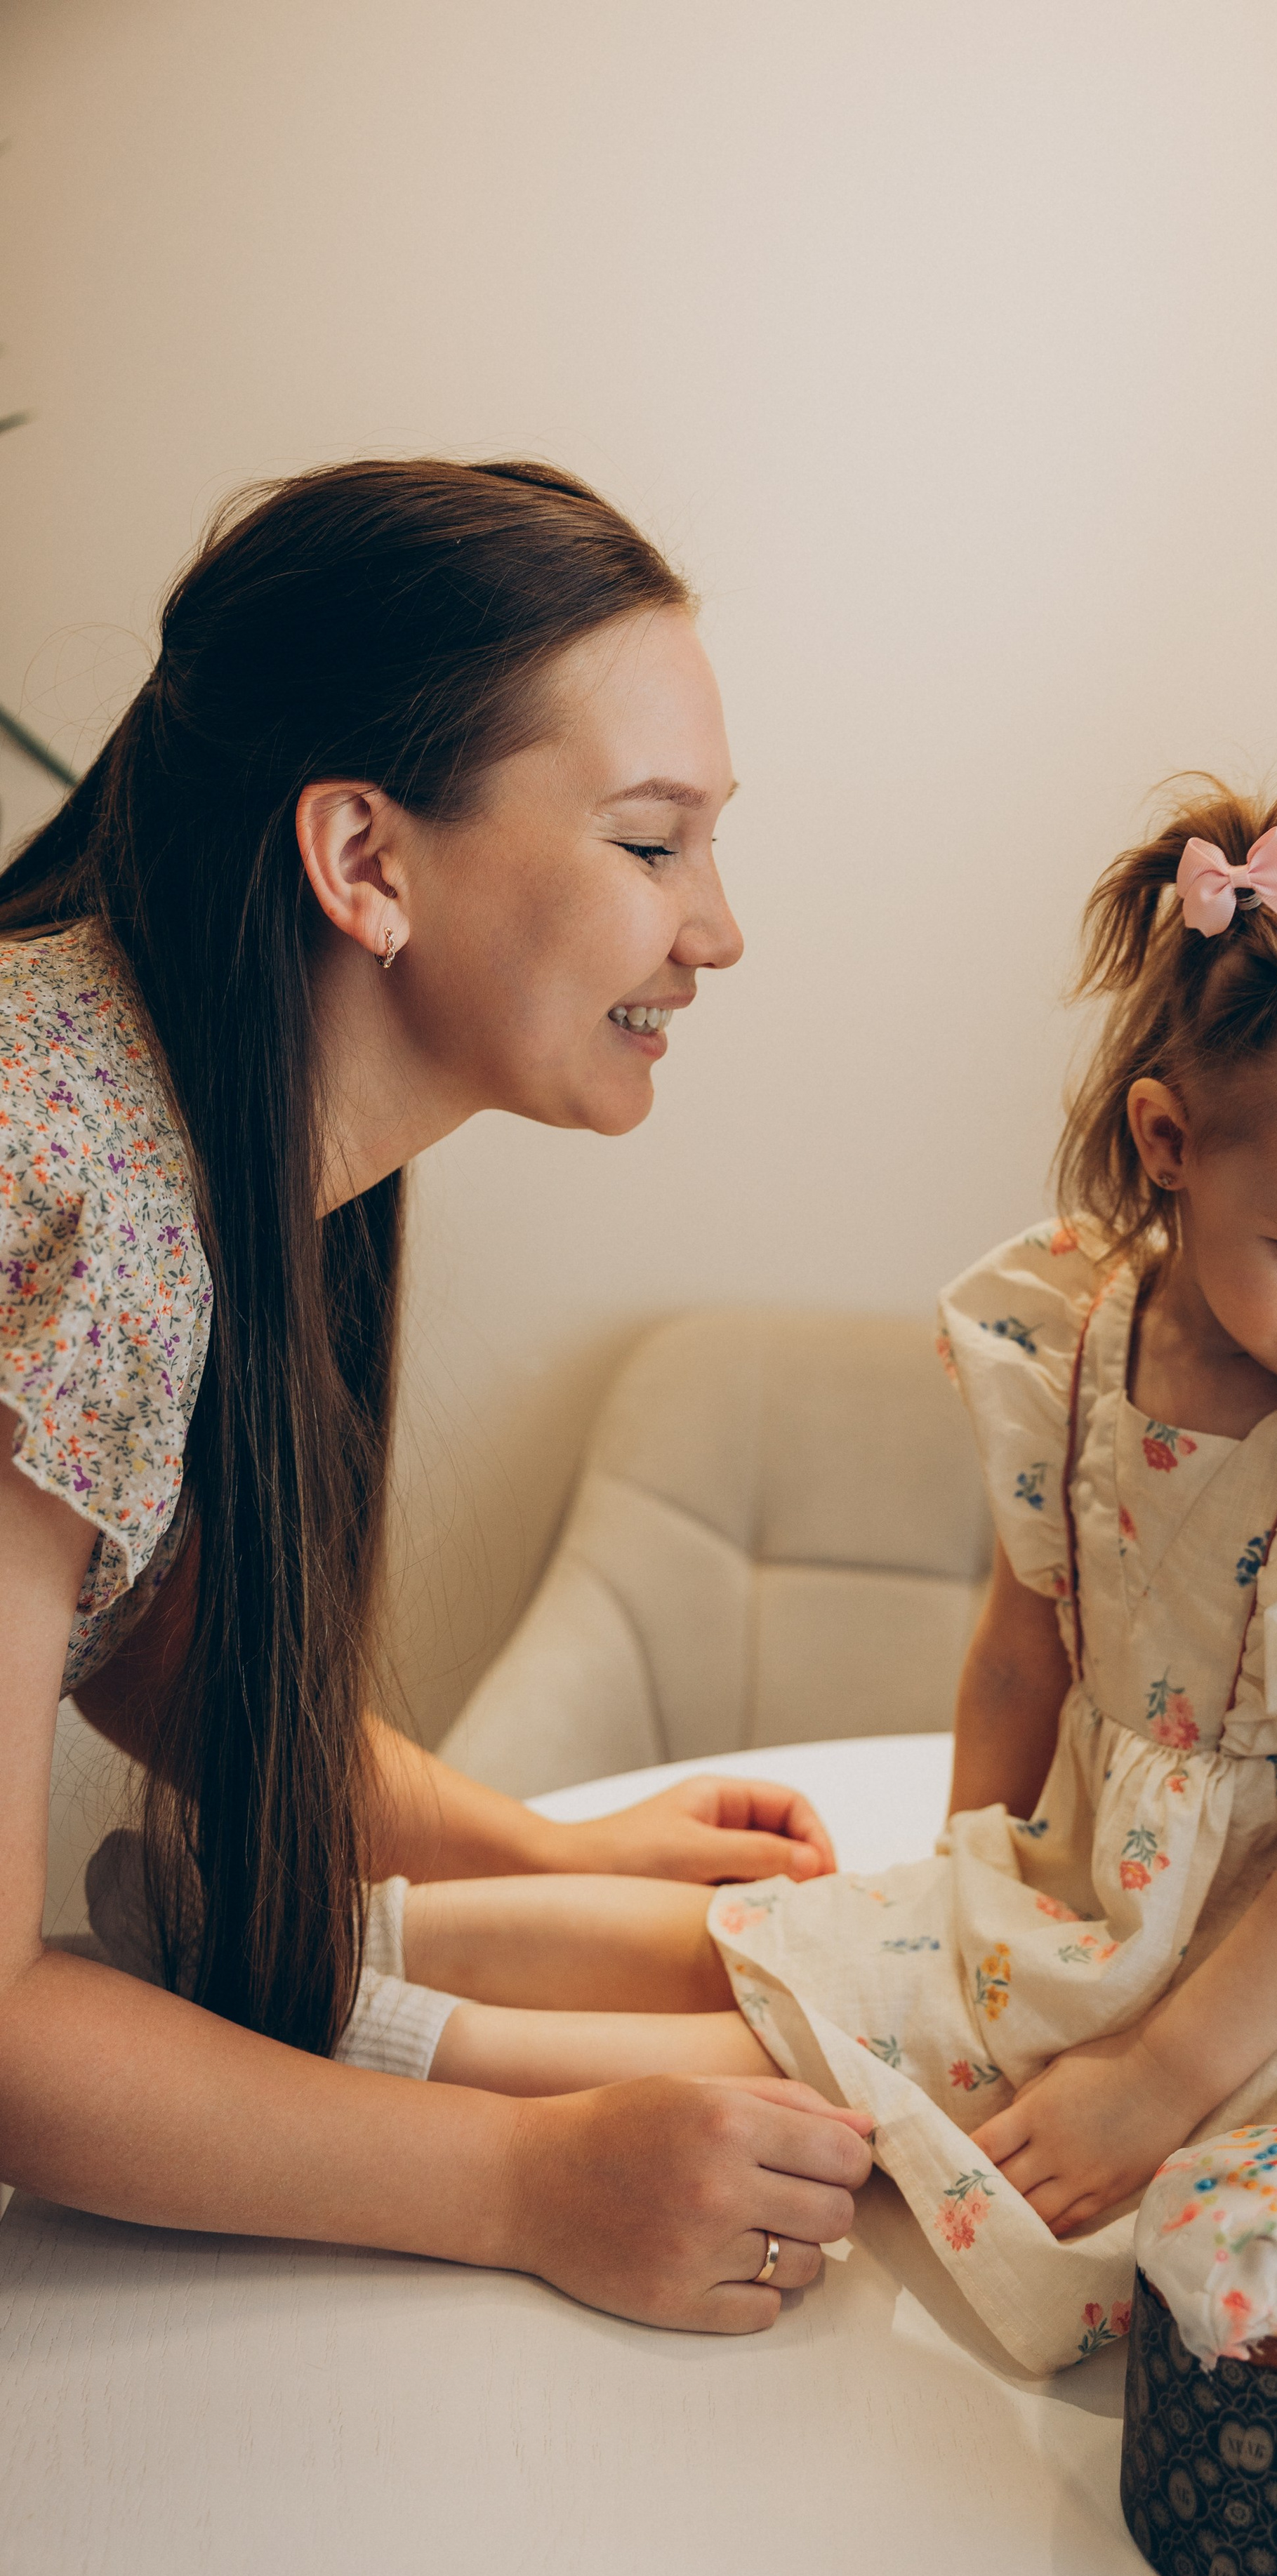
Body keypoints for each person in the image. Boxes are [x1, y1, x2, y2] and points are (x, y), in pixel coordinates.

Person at [352, 776, 1277, 2373]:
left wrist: (1156, 2077)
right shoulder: (1082, 1338)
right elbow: (1019, 1645)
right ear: (1169, 1144)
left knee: (865, 2071)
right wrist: (969, 1883)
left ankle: (407, 2042)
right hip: (1091, 1892)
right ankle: (345, 1934)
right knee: (818, 1952)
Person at [0, 456, 872, 2332]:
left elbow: (140, 1628)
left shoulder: (183, 1099)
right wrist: (531, 2185)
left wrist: (537, 1850)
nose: (714, 932)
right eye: (653, 846)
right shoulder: (81, 1191)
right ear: (364, 863)